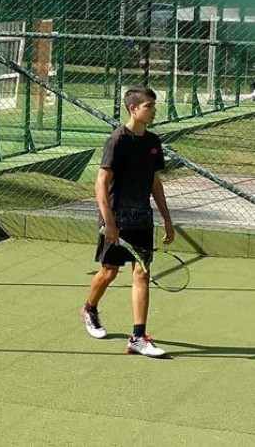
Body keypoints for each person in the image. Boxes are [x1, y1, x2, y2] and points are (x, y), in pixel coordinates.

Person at [81, 87, 175, 358]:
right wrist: (109, 221)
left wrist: (167, 220)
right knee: (109, 272)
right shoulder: (116, 141)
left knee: (141, 273)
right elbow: (100, 182)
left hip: (142, 219)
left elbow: (155, 182)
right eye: (149, 105)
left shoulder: (153, 141)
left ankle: (138, 336)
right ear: (134, 109)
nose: (154, 110)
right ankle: (89, 308)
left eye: (154, 105)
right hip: (116, 218)